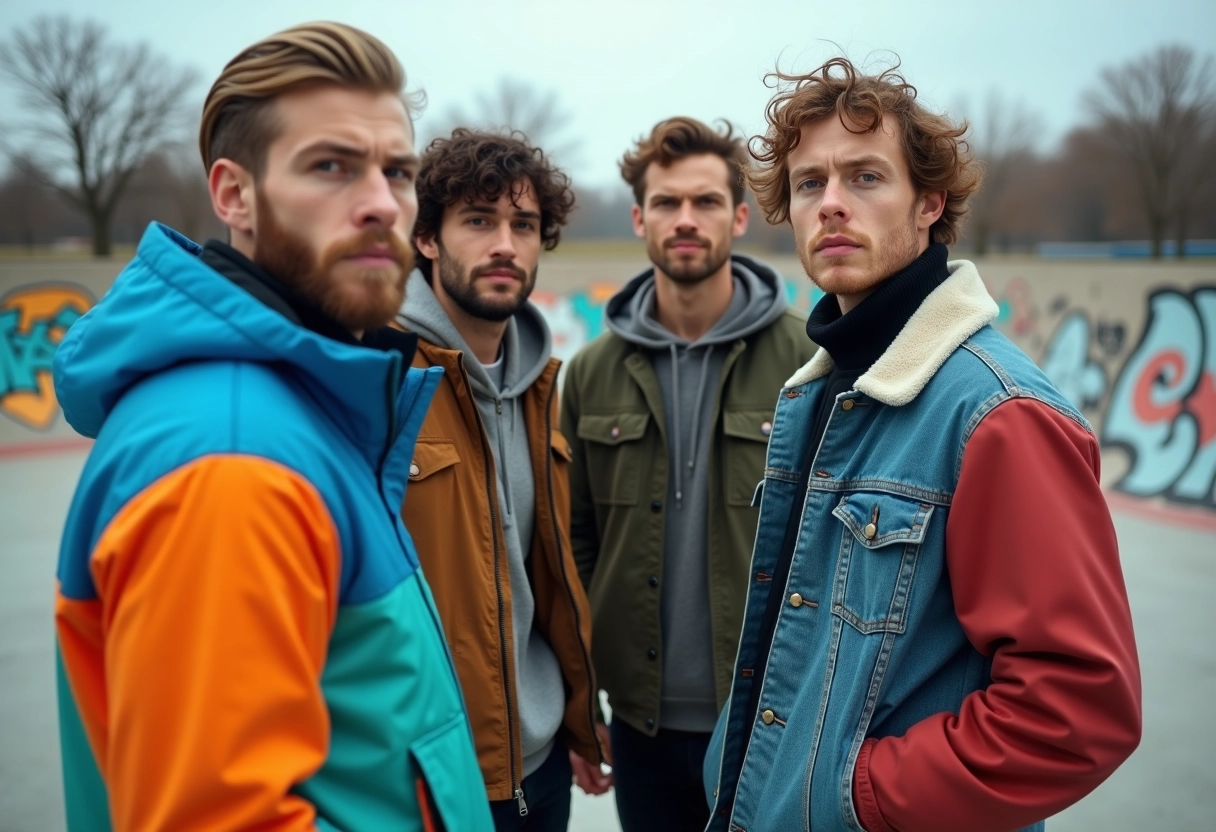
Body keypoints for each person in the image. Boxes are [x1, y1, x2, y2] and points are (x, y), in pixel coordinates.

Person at [53, 23, 490, 831]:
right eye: (332, 167)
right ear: (233, 194)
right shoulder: (231, 459)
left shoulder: (302, 404)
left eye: (398, 171)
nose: (381, 203)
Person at [703, 57, 1142, 832]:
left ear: (929, 203)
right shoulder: (824, 392)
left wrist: (861, 795)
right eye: (810, 184)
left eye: (866, 178)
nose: (831, 204)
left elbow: (1078, 710)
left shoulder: (998, 415)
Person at [560, 116, 816, 831]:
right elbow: (574, 546)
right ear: (640, 218)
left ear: (738, 217)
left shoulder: (810, 365)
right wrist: (586, 703)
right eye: (667, 203)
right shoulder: (589, 374)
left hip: (771, 718)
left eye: (705, 202)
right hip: (640, 726)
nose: (685, 219)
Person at [397, 128, 602, 831]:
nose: (506, 245)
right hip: (429, 779)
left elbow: (544, 576)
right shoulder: (381, 377)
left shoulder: (544, 386)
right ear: (427, 237)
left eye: (524, 225)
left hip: (541, 771)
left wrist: (576, 720)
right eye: (479, 221)